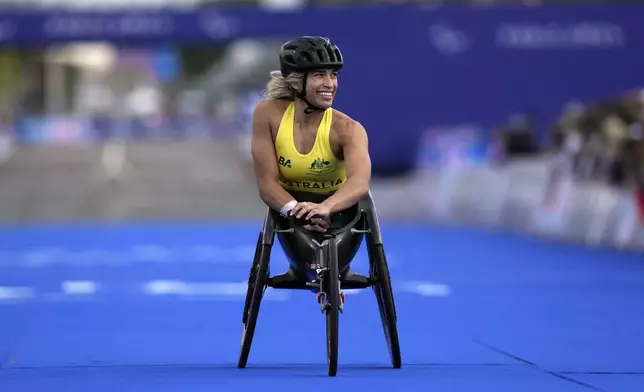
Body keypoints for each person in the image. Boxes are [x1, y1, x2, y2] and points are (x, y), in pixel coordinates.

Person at [250, 36, 372, 288]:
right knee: (299, 242)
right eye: (319, 75)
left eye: (333, 74)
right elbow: (267, 184)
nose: (330, 84)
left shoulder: (349, 129)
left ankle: (339, 266)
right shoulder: (267, 114)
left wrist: (326, 208)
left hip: (340, 212)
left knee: (350, 211)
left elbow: (359, 182)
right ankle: (300, 267)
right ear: (296, 82)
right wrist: (297, 210)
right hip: (290, 209)